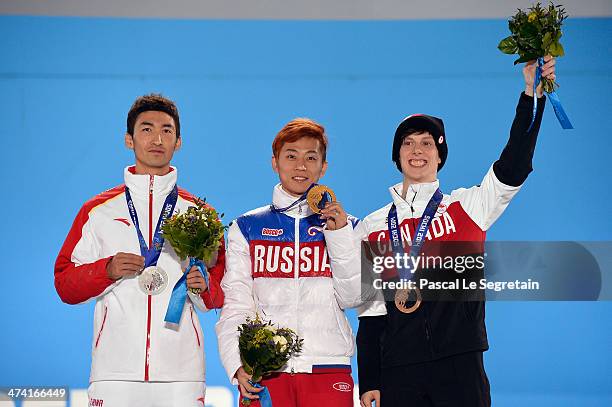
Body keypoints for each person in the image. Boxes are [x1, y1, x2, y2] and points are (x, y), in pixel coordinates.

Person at [356, 57, 557, 407]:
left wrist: (530, 96)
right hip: (398, 370)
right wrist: (369, 379)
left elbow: (514, 165)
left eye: (427, 143)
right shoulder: (373, 225)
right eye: (407, 143)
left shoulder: (467, 207)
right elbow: (371, 313)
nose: (416, 150)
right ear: (396, 157)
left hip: (460, 362)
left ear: (439, 157)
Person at [54, 94, 225, 407]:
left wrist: (204, 286)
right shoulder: (98, 211)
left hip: (181, 374)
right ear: (129, 140)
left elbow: (222, 291)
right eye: (146, 129)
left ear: (179, 142)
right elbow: (64, 284)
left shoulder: (200, 214)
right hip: (114, 372)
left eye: (167, 130)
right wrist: (105, 270)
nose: (157, 138)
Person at [215, 118, 362, 407]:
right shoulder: (246, 227)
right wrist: (236, 363)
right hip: (266, 371)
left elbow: (354, 297)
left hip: (328, 368)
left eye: (311, 157)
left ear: (324, 166)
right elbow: (236, 303)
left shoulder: (351, 227)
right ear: (275, 162)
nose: (301, 166)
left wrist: (339, 235)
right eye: (291, 156)